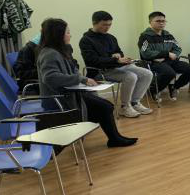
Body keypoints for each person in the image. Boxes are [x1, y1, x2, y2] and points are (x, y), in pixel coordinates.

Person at [36, 18, 137, 148]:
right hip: (60, 99)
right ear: (58, 35)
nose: (70, 35)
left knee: (106, 106)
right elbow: (50, 77)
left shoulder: (60, 51)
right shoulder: (50, 54)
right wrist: (81, 79)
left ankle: (114, 138)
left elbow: (72, 70)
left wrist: (82, 80)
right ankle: (113, 138)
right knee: (105, 107)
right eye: (68, 32)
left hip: (70, 93)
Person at [79, 11, 153, 118]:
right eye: (104, 24)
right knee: (130, 76)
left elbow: (119, 52)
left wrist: (119, 55)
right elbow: (92, 61)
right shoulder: (86, 40)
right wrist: (115, 60)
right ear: (94, 23)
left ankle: (135, 102)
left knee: (147, 73)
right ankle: (125, 107)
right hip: (100, 71)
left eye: (109, 24)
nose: (107, 27)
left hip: (117, 67)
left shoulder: (111, 37)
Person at [138, 11, 190, 102]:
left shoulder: (168, 35)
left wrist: (173, 55)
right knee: (169, 73)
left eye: (163, 21)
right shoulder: (145, 36)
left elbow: (177, 48)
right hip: (154, 62)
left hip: (170, 60)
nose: (161, 23)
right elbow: (145, 53)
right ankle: (154, 90)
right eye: (158, 21)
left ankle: (174, 87)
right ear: (150, 22)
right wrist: (167, 54)